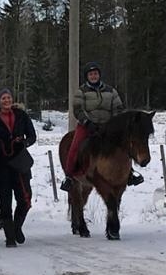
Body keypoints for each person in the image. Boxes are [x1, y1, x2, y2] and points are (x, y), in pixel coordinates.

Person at [60, 61, 142, 191]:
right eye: (91, 74)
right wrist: (87, 122)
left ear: (99, 75)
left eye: (96, 74)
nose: (94, 76)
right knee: (75, 146)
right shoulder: (81, 91)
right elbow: (77, 109)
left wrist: (114, 123)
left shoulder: (111, 90)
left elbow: (118, 108)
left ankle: (130, 173)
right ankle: (69, 176)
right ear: (87, 76)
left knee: (124, 145)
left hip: (107, 126)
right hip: (87, 125)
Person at [0, 88, 36, 247]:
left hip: (19, 162)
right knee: (5, 202)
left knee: (25, 199)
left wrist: (24, 142)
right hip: (2, 164)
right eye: (3, 98)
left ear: (12, 99)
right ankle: (9, 236)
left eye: (8, 97)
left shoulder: (21, 116)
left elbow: (32, 136)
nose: (6, 100)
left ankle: (17, 227)